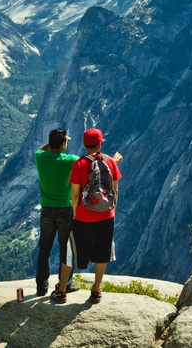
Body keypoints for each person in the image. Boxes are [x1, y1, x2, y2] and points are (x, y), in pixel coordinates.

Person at [51, 128, 122, 304]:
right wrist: (111, 210)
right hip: (106, 216)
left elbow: (75, 195)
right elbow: (115, 190)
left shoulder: (80, 164)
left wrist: (76, 213)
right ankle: (96, 291)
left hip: (83, 217)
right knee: (102, 254)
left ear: (84, 144)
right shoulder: (110, 162)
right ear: (99, 144)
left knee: (70, 253)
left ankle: (61, 292)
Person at [34, 127, 79, 296]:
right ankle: (65, 283)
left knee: (44, 248)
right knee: (66, 249)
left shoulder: (40, 158)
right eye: (65, 142)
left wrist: (55, 140)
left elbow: (41, 149)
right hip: (65, 211)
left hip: (46, 210)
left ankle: (41, 286)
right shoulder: (71, 160)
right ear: (62, 144)